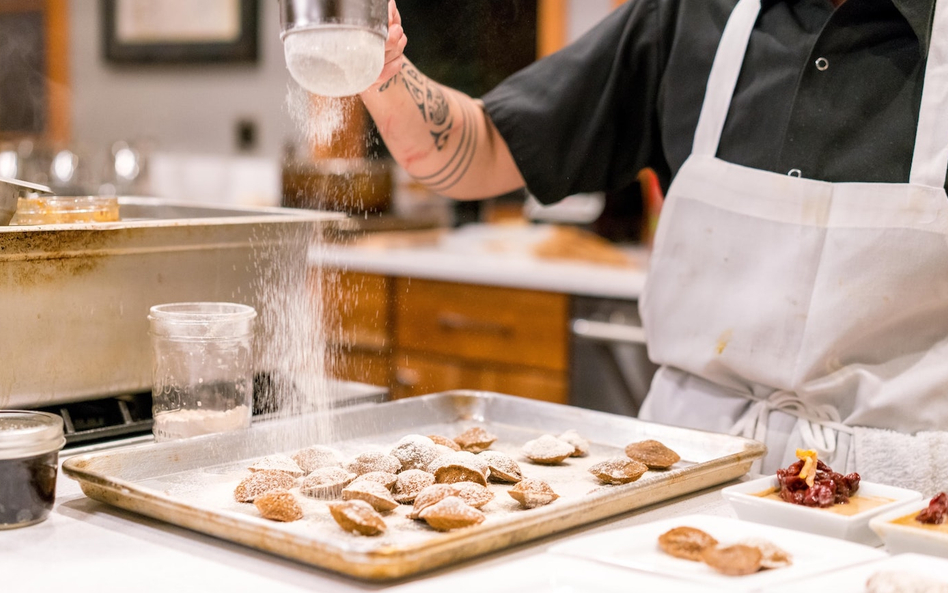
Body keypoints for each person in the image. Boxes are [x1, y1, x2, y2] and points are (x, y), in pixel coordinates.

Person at [358, 0, 948, 494]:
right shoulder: (690, 14)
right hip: (684, 478)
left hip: (900, 506)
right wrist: (381, 68)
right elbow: (478, 147)